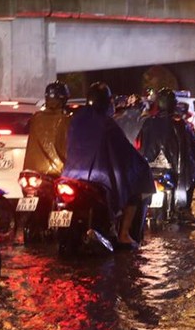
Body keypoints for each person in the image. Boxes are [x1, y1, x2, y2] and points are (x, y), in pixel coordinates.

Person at [64, 82, 155, 247]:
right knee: (133, 191)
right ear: (107, 102)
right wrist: (141, 165)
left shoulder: (76, 120)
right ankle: (124, 234)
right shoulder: (107, 124)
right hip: (99, 176)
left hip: (71, 173)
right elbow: (125, 151)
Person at [139, 88, 195, 225]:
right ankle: (184, 208)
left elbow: (139, 147)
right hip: (174, 170)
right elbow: (191, 152)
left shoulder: (147, 123)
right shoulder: (180, 125)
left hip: (150, 169)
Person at [24, 81, 71, 177]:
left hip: (33, 172)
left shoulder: (36, 118)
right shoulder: (66, 119)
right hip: (60, 173)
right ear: (64, 99)